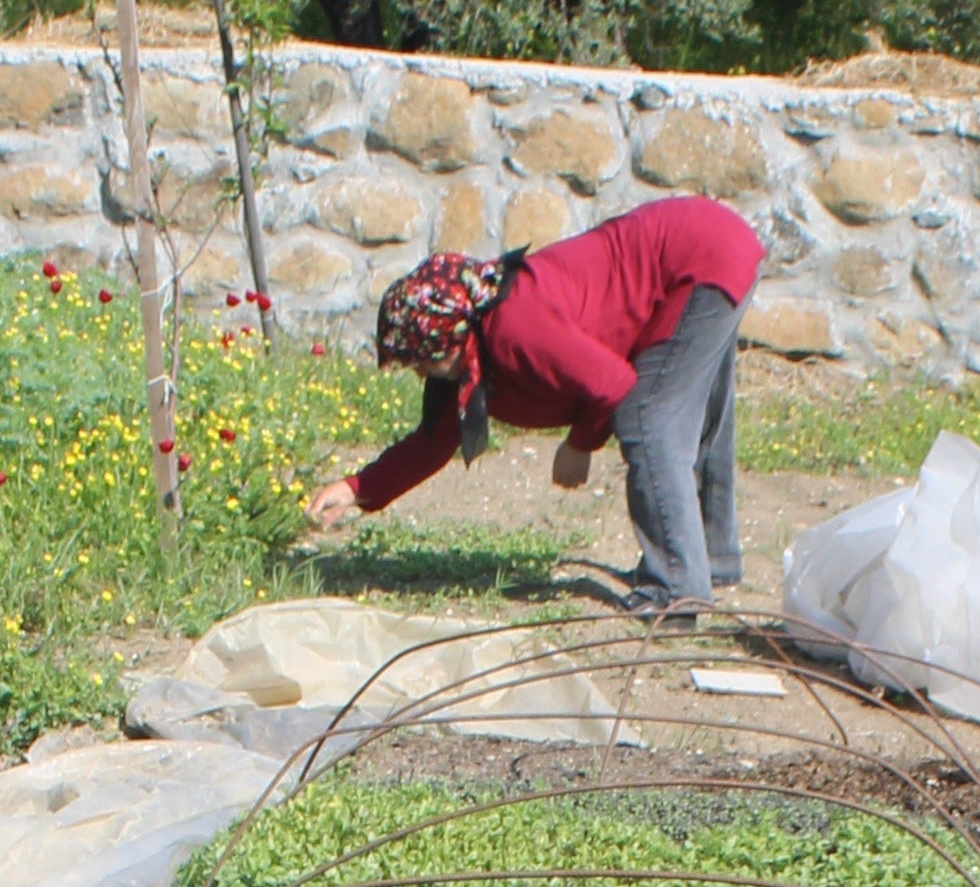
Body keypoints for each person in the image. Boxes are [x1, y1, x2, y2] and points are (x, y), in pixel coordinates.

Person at [301, 200, 765, 616]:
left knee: (650, 418)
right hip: (713, 247)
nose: (420, 374)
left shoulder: (514, 326)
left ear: (449, 336)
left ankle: (678, 589)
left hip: (701, 259)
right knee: (687, 412)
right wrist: (357, 487)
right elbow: (436, 440)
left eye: (420, 360)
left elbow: (614, 385)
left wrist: (579, 444)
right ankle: (711, 558)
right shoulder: (476, 329)